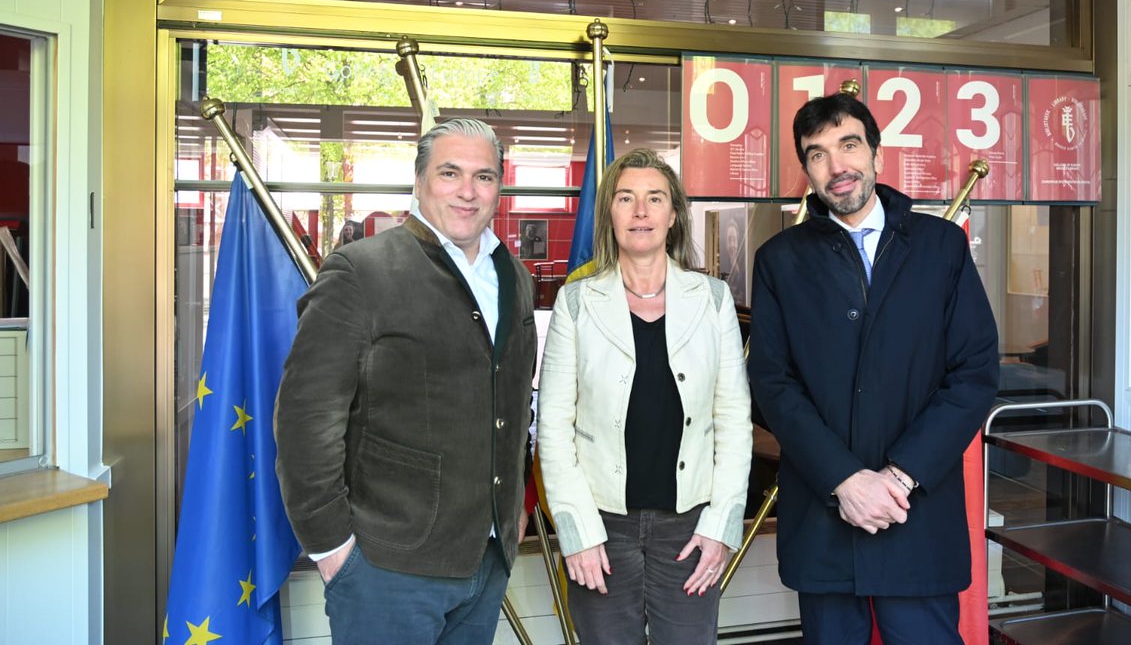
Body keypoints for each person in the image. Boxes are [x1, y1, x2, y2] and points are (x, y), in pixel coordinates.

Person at [274, 118, 537, 644]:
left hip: (486, 560)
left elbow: (510, 403)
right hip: (384, 569)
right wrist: (334, 552)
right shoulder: (360, 270)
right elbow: (306, 422)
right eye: (450, 173)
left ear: (499, 189)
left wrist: (514, 513)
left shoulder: (515, 276)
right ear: (419, 182)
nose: (468, 191)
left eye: (484, 176)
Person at [747, 93, 998, 644]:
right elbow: (771, 384)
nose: (837, 166)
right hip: (823, 522)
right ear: (807, 170)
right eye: (818, 154)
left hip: (918, 515)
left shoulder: (940, 248)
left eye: (849, 145)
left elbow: (974, 373)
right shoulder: (779, 261)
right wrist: (844, 480)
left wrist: (898, 477)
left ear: (877, 154)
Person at [537, 148, 753, 645]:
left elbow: (733, 422)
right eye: (626, 198)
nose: (640, 212)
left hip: (690, 528)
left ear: (674, 215)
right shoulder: (576, 301)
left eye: (655, 199)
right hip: (600, 527)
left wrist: (721, 524)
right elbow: (553, 427)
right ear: (608, 212)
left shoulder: (713, 298)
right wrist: (575, 530)